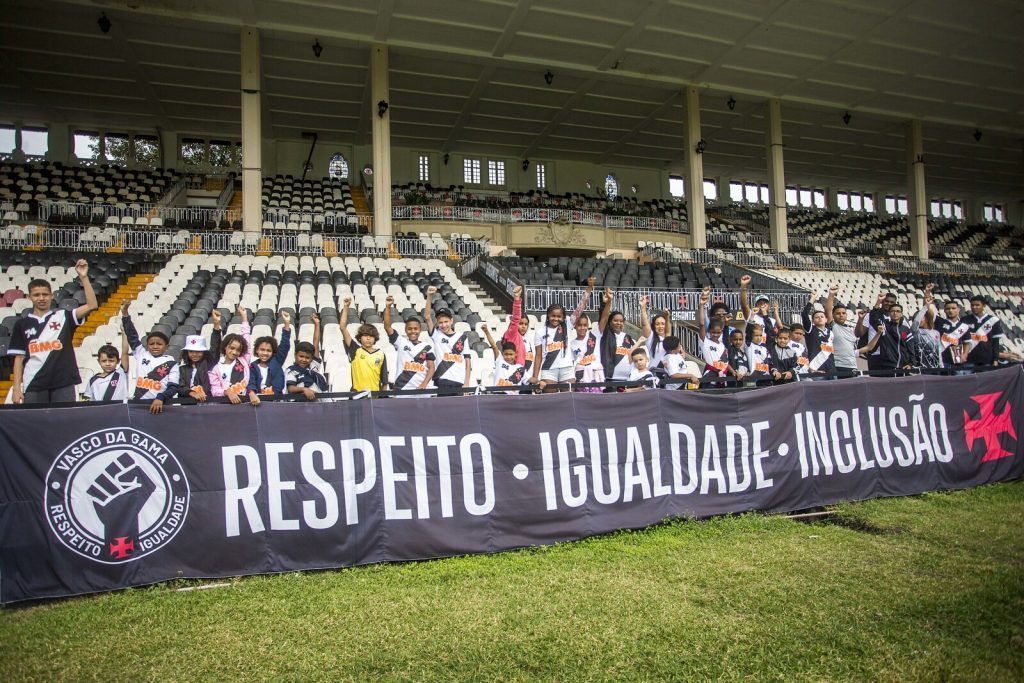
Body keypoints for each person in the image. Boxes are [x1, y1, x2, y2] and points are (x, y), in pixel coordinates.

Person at [9, 259, 98, 404]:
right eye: (36, 295)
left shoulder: (64, 316)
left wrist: (84, 277)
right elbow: (18, 359)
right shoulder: (22, 324)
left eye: (45, 294)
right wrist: (16, 388)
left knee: (64, 424)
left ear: (51, 295)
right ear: (29, 297)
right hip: (34, 382)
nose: (41, 298)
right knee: (36, 424)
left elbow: (92, 305)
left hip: (63, 382)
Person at [531, 278, 593, 393]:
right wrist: (535, 378)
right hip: (548, 370)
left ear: (563, 317)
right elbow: (538, 356)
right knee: (550, 402)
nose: (556, 318)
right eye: (553, 316)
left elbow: (581, 307)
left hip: (567, 369)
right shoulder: (539, 332)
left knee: (569, 400)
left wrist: (589, 289)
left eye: (559, 316)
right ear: (548, 316)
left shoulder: (568, 324)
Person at [122, 304, 180, 414]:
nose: (155, 346)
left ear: (166, 346)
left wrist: (161, 398)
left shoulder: (172, 363)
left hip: (161, 406)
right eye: (151, 344)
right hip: (139, 405)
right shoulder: (141, 354)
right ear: (147, 345)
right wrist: (125, 315)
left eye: (159, 344)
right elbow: (132, 336)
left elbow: (173, 387)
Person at [424, 286, 473, 396]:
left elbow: (468, 362)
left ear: (451, 320)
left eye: (446, 321)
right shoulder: (436, 335)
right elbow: (427, 317)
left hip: (459, 381)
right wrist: (429, 296)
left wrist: (467, 383)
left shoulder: (462, 337)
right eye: (440, 322)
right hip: (443, 380)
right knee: (443, 412)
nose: (443, 325)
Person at [384, 296, 435, 396]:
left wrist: (424, 384)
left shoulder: (427, 346)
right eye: (410, 329)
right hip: (402, 388)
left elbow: (431, 367)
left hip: (421, 390)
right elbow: (387, 327)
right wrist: (388, 307)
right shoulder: (400, 342)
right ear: (405, 330)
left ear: (420, 330)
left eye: (416, 329)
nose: (413, 331)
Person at [340, 297, 389, 393]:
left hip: (375, 396)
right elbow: (342, 327)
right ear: (360, 337)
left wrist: (382, 397)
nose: (368, 338)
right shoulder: (355, 350)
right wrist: (346, 308)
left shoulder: (381, 354)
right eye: (365, 335)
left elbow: (385, 381)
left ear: (375, 338)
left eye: (371, 336)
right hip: (357, 395)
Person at [176, 308, 223, 403]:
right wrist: (191, 393)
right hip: (187, 407)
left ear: (204, 352)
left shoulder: (208, 364)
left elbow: (215, 347)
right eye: (191, 351)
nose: (194, 354)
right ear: (187, 352)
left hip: (208, 405)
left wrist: (216, 324)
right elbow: (179, 387)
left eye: (198, 351)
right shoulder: (182, 369)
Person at [209, 306, 253, 404]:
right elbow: (215, 390)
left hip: (244, 404)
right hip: (224, 406)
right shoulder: (215, 368)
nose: (234, 352)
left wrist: (244, 317)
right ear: (225, 347)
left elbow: (247, 341)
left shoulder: (243, 361)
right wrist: (227, 392)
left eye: (238, 350)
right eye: (231, 348)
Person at [247, 310, 292, 405]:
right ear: (257, 350)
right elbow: (251, 382)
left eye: (268, 351)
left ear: (273, 352)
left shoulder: (277, 361)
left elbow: (284, 345)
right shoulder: (253, 366)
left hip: (276, 401)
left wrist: (287, 323)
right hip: (258, 402)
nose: (265, 353)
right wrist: (251, 393)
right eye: (262, 350)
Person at [598, 287, 639, 386]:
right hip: (610, 378)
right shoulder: (606, 334)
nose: (618, 323)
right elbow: (603, 318)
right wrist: (606, 303)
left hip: (628, 379)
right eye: (615, 320)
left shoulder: (628, 338)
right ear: (610, 322)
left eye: (621, 321)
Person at [286, 314, 326, 400]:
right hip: (301, 404)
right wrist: (304, 389)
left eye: (307, 358)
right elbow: (291, 388)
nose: (304, 360)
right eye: (301, 356)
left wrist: (317, 324)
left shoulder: (314, 366)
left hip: (318, 402)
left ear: (311, 358)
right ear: (295, 355)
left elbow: (316, 342)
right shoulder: (292, 370)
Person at [84, 327, 129, 402]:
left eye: (111, 361)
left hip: (120, 410)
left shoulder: (121, 373)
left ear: (118, 361)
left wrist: (124, 332)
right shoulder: (93, 380)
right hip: (101, 412)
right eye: (104, 361)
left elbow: (125, 352)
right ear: (99, 361)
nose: (107, 364)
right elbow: (89, 401)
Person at [801, 287, 837, 378]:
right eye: (817, 317)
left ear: (826, 319)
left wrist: (831, 295)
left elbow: (829, 311)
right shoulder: (811, 330)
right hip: (816, 368)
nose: (820, 318)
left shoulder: (830, 330)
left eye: (822, 316)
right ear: (813, 321)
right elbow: (804, 315)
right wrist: (812, 300)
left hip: (831, 369)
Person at [696, 287, 730, 384]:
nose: (715, 334)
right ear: (709, 331)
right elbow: (702, 324)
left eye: (718, 332)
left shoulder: (722, 344)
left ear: (722, 331)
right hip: (709, 377)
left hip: (723, 378)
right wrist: (702, 305)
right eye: (713, 332)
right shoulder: (705, 341)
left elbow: (726, 362)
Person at [482, 324, 527, 394]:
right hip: (498, 395)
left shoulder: (519, 368)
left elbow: (530, 378)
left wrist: (539, 382)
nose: (508, 357)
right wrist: (486, 331)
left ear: (515, 354)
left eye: (511, 354)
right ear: (502, 354)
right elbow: (494, 346)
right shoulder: (500, 360)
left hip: (512, 400)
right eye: (506, 354)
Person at [962, 295, 1004, 368]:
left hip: (987, 360)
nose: (974, 307)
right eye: (972, 305)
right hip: (968, 359)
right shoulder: (964, 320)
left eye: (977, 305)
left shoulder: (993, 320)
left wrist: (995, 359)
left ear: (984, 305)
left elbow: (995, 342)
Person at [873, 302, 915, 375]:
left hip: (904, 367)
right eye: (892, 311)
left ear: (901, 314)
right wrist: (878, 302)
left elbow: (911, 348)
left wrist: (911, 364)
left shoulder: (906, 330)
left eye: (898, 311)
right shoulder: (884, 326)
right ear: (889, 313)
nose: (895, 313)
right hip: (888, 367)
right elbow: (874, 318)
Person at [931, 292, 972, 368]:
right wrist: (927, 294)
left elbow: (967, 343)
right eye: (948, 309)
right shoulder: (939, 321)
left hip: (957, 362)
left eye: (953, 308)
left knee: (957, 380)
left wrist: (965, 355)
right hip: (941, 361)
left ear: (958, 310)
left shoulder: (964, 326)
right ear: (944, 310)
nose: (950, 310)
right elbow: (928, 312)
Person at [739, 274, 780, 344]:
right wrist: (743, 286)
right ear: (756, 306)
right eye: (760, 303)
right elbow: (743, 304)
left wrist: (776, 312)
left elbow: (780, 330)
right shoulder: (752, 315)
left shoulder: (772, 321)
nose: (762, 305)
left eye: (765, 303)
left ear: (769, 306)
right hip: (753, 347)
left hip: (767, 349)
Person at [500, 285, 532, 371]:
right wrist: (517, 298)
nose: (523, 326)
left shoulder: (527, 340)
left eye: (526, 324)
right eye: (521, 323)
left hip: (524, 374)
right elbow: (516, 318)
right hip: (513, 373)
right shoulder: (512, 334)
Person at [570, 312, 604, 393]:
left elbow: (604, 320)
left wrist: (609, 302)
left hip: (595, 377)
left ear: (588, 326)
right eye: (579, 325)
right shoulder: (571, 344)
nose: (582, 327)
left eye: (585, 325)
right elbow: (571, 363)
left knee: (597, 402)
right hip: (580, 377)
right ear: (575, 326)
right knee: (582, 403)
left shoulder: (594, 335)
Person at [830, 300, 862, 379]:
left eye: (843, 313)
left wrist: (860, 319)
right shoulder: (833, 326)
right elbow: (827, 310)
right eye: (838, 313)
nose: (841, 315)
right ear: (833, 315)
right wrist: (831, 295)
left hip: (852, 365)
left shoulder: (851, 329)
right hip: (837, 365)